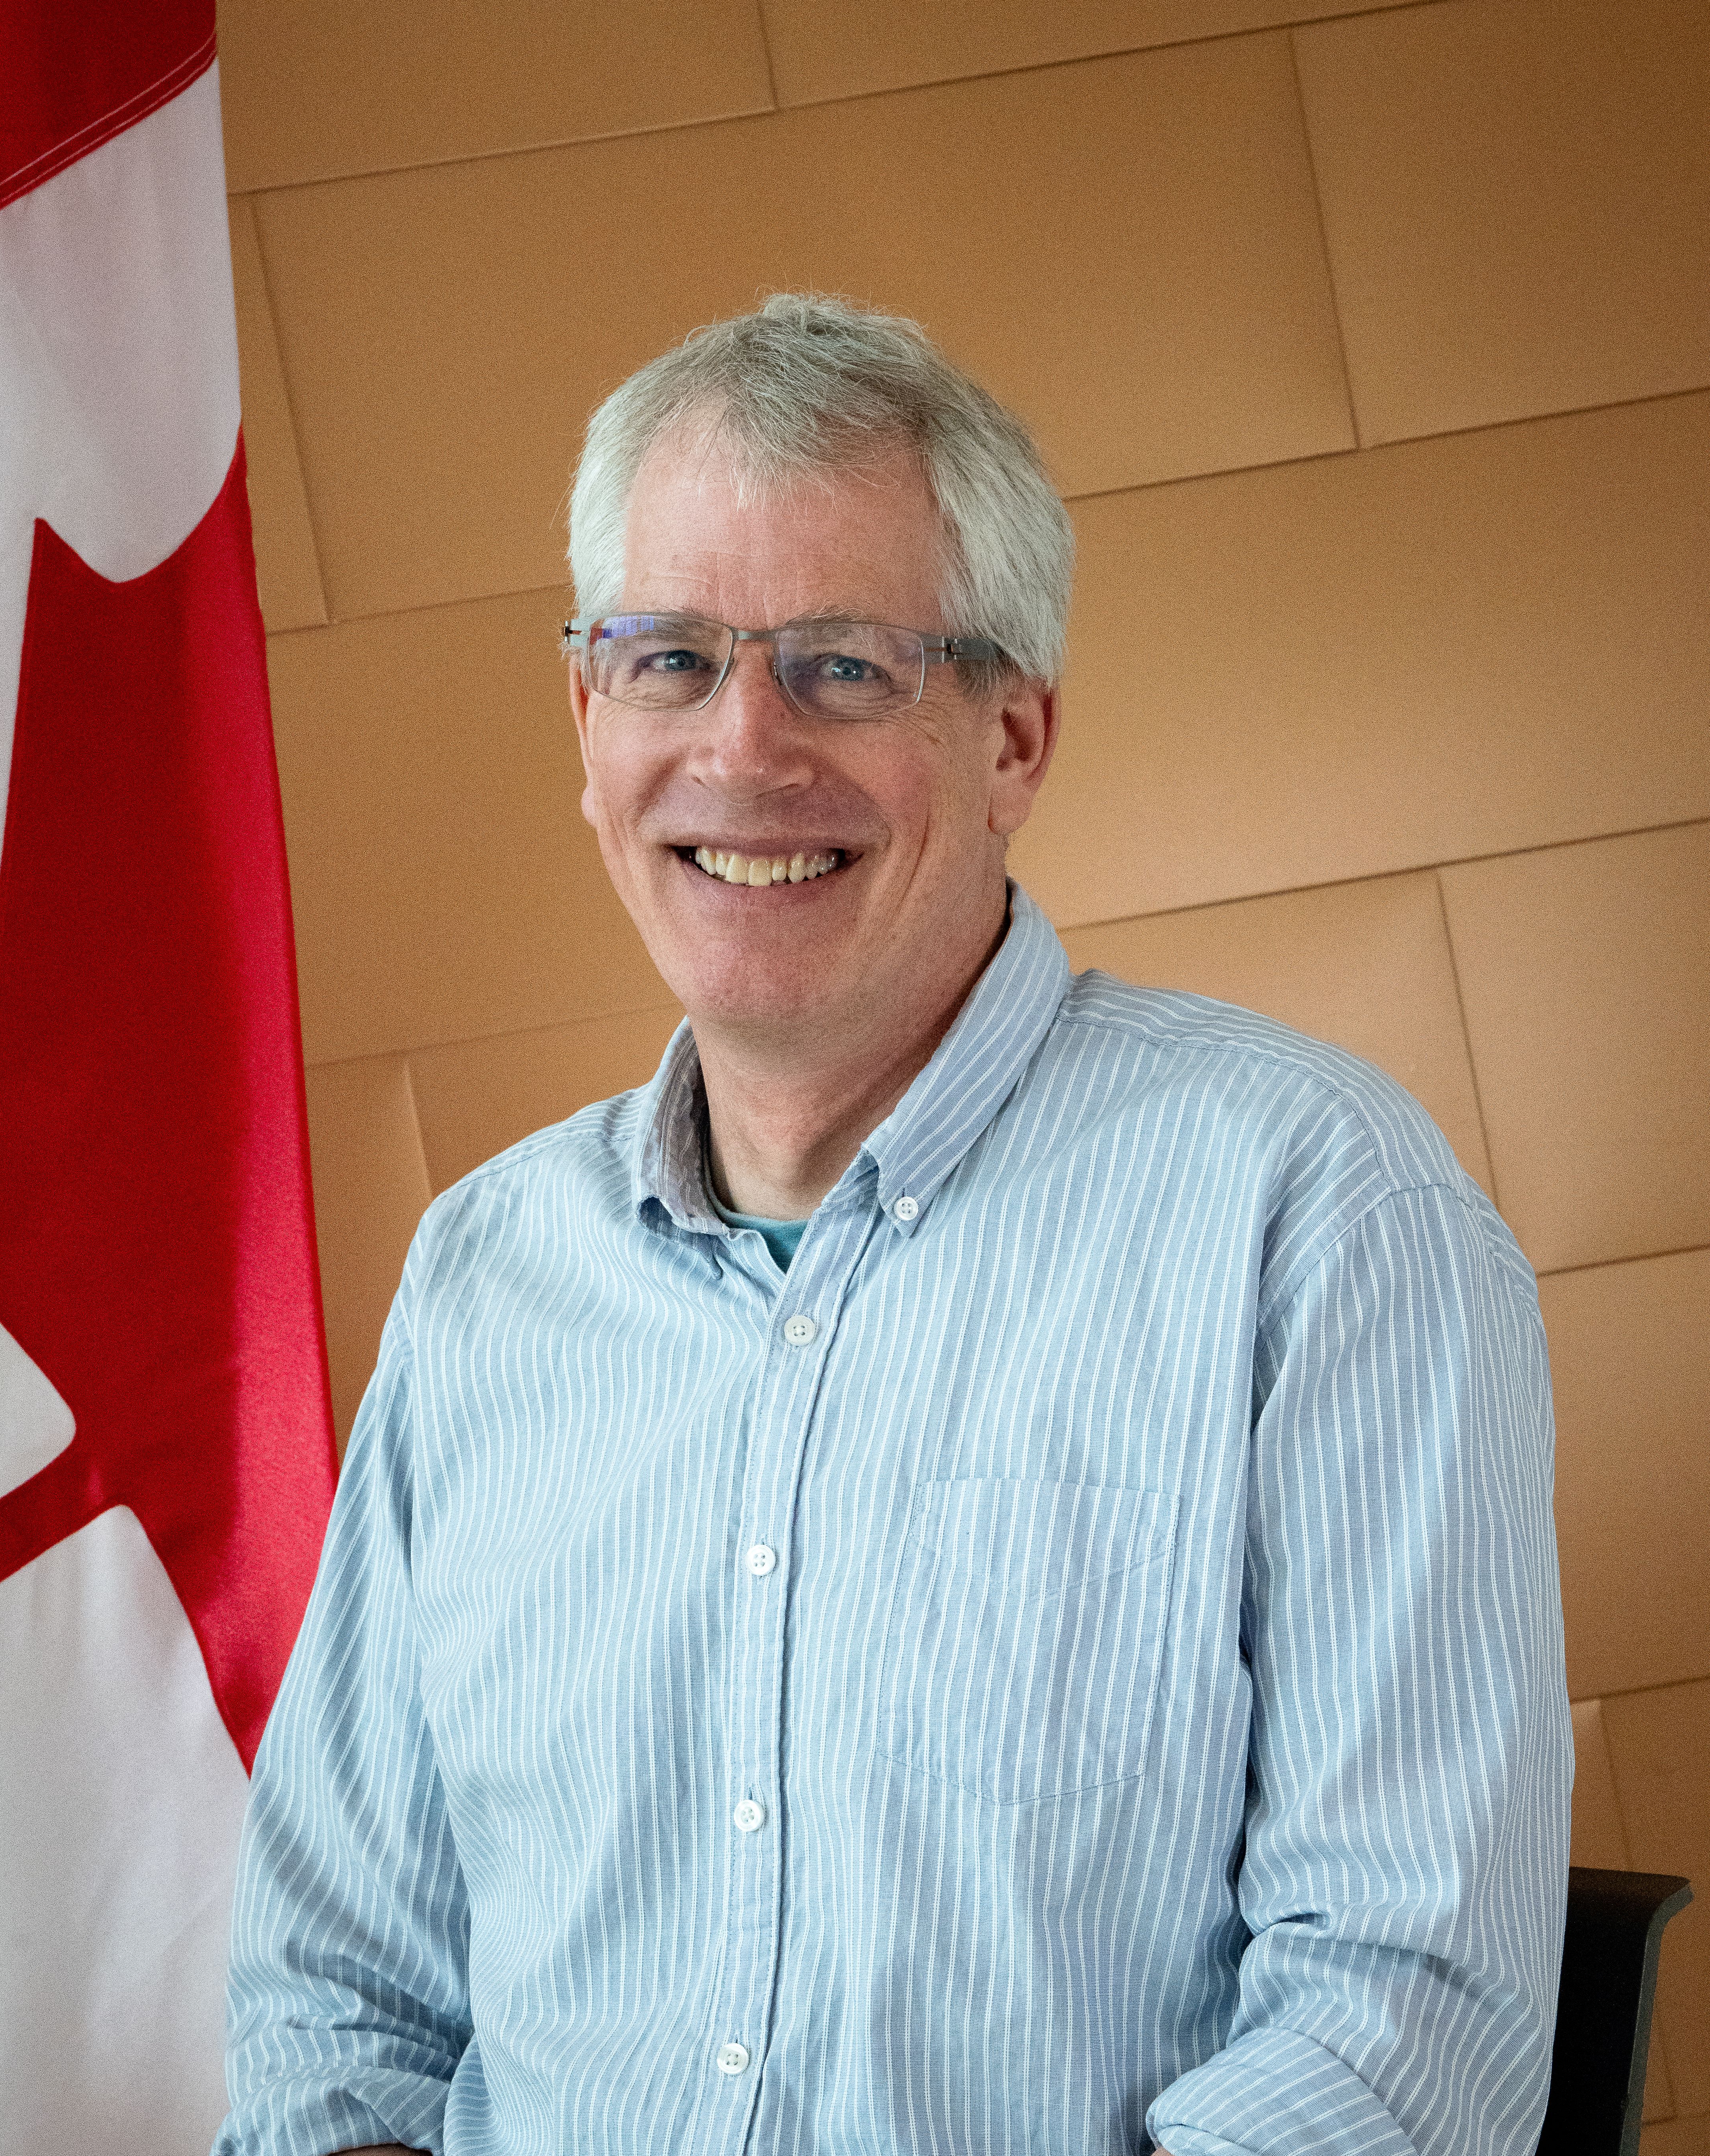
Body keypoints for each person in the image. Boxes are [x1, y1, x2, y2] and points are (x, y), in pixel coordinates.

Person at [216, 294, 1571, 2156]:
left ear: (1012, 736)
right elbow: (336, 2004)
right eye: (667, 658)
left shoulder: (1314, 1217)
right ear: (585, 716)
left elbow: (1403, 2018)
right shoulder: (480, 1284)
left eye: (844, 666)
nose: (742, 746)